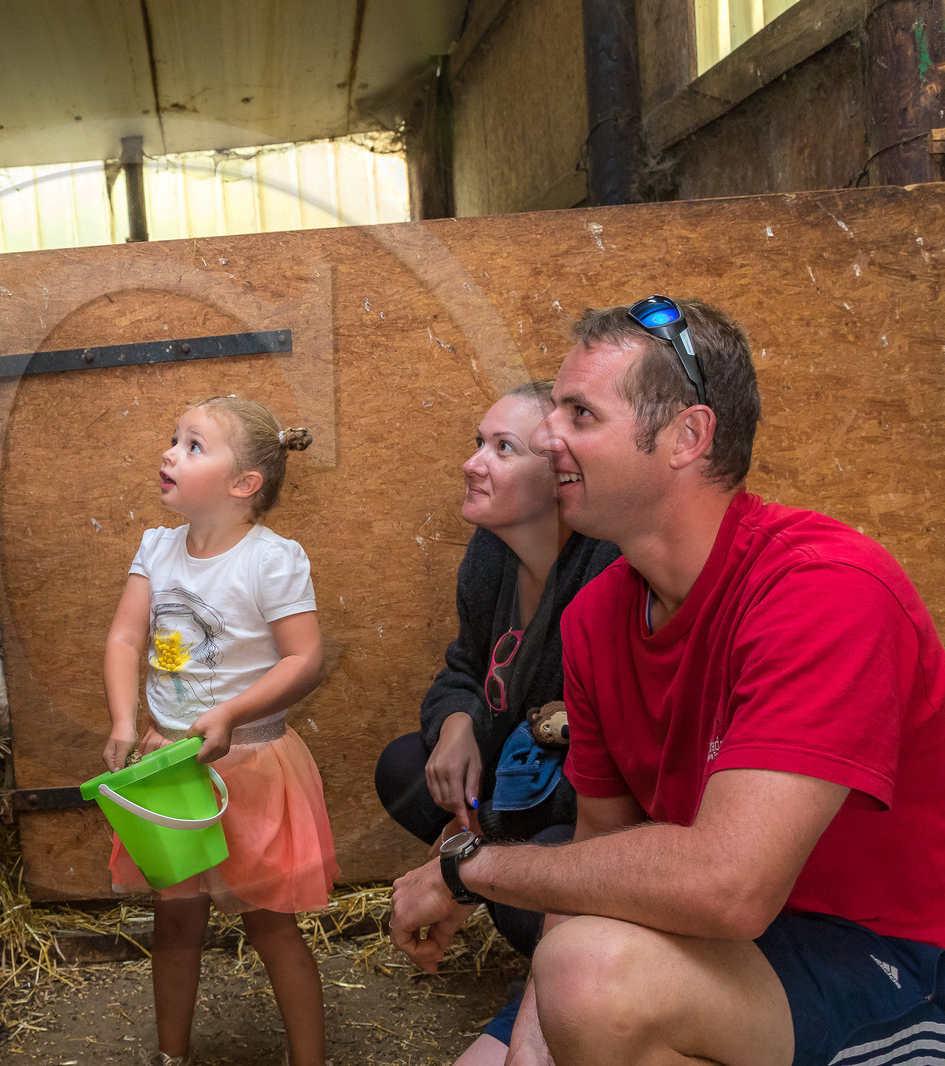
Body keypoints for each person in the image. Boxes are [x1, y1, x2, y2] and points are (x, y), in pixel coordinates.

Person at [389, 296, 945, 1066]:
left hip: (875, 955)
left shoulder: (824, 588)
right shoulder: (597, 616)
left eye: (580, 414)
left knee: (590, 976)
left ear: (688, 436)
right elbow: (597, 857)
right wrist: (530, 1043)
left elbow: (728, 888)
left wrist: (469, 868)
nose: (548, 436)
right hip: (695, 949)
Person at [102, 395, 338, 1066]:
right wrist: (124, 720)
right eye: (174, 438)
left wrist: (232, 714)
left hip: (252, 767)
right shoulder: (157, 548)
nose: (170, 452)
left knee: (271, 926)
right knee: (175, 920)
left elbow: (304, 657)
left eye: (194, 445)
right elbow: (125, 637)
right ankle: (171, 1056)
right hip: (171, 769)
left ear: (243, 484)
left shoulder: (272, 560)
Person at [374, 382, 620, 967]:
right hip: (520, 783)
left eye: (503, 448)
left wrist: (474, 848)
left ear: (561, 474)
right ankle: (496, 877)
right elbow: (465, 666)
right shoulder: (491, 553)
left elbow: (603, 766)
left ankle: (553, 969)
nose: (472, 463)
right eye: (478, 442)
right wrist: (457, 723)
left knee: (529, 894)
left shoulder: (606, 571)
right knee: (406, 767)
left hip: (587, 804)